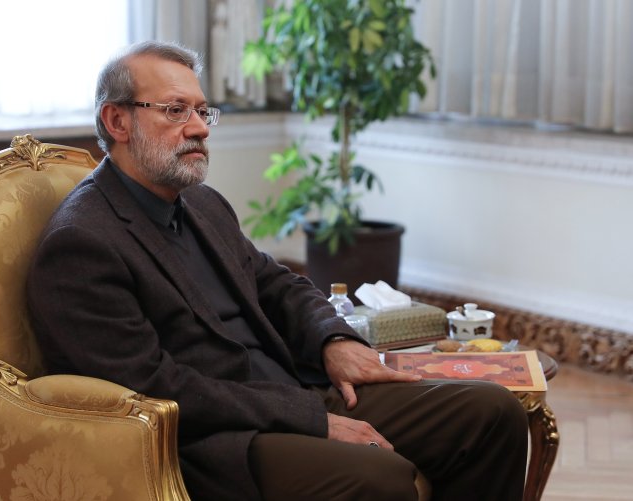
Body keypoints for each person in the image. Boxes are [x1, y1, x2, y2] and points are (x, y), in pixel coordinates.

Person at [27, 40, 528, 501]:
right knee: (381, 477)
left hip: (295, 390)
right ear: (117, 121)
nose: (199, 128)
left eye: (202, 110)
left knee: (492, 412)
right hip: (221, 438)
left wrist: (333, 340)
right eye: (175, 110)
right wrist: (309, 419)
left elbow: (276, 282)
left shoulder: (202, 203)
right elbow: (155, 388)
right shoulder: (82, 244)